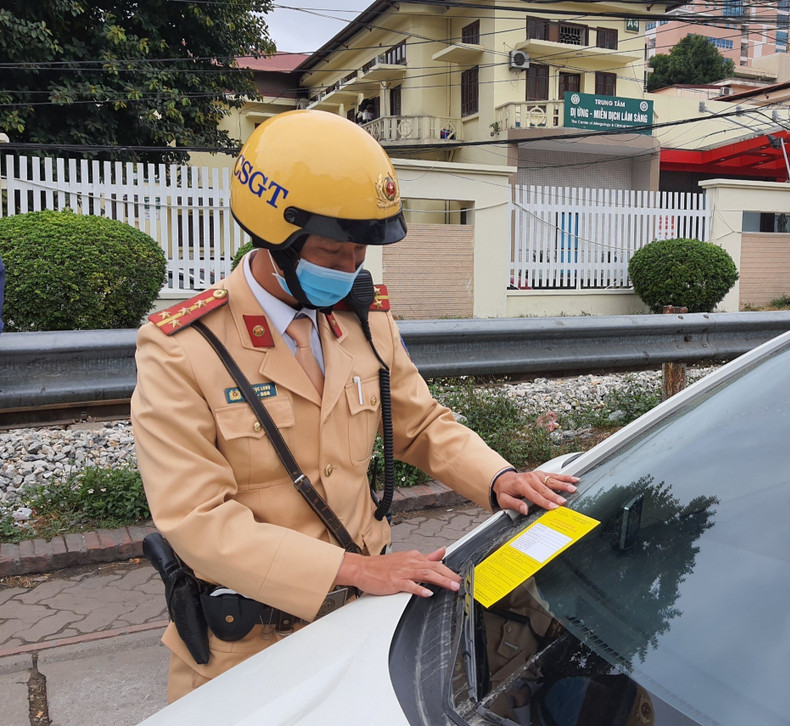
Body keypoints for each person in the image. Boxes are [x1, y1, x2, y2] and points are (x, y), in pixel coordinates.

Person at [130, 109, 577, 702]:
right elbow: (197, 519)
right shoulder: (183, 347)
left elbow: (420, 424)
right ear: (274, 238)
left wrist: (499, 479)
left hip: (367, 625)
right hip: (249, 649)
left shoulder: (364, 320)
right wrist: (357, 569)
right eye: (331, 252)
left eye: (359, 252)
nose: (349, 269)